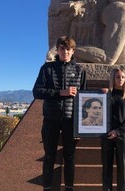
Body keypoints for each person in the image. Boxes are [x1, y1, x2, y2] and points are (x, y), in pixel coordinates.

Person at [32, 36, 87, 191]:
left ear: (73, 51)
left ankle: (69, 188)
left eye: (68, 49)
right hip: (51, 119)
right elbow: (37, 92)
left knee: (70, 157)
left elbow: (85, 99)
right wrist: (60, 92)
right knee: (49, 156)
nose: (65, 52)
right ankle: (47, 188)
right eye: (62, 48)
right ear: (57, 50)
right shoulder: (47, 69)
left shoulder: (79, 71)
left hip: (71, 121)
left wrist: (81, 125)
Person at [101, 68, 125, 191]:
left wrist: (118, 131)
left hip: (121, 135)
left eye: (123, 77)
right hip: (106, 135)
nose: (120, 79)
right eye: (117, 77)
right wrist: (102, 96)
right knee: (106, 168)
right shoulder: (106, 95)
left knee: (123, 168)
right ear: (113, 78)